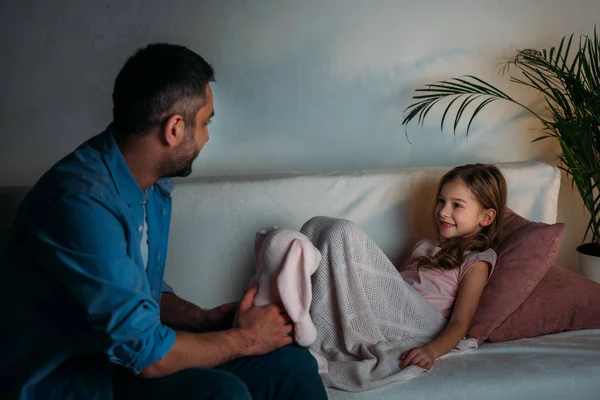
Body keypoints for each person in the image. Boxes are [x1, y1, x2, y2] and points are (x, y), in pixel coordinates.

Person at [0, 43, 327, 400]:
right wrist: (246, 339)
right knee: (220, 393)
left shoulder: (151, 186)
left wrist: (203, 319)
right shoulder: (80, 203)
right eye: (205, 123)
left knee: (290, 364)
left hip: (119, 363)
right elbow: (146, 354)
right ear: (174, 129)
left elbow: (135, 294)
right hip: (69, 381)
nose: (206, 137)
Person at [300, 163, 506, 391]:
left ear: (486, 217)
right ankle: (302, 314)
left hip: (428, 323)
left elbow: (461, 321)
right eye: (441, 201)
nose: (443, 211)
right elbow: (393, 288)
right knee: (317, 227)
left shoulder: (477, 260)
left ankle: (311, 337)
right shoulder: (424, 245)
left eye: (456, 205)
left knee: (342, 232)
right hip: (402, 314)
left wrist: (433, 350)